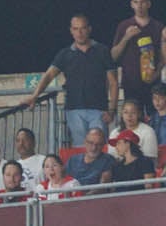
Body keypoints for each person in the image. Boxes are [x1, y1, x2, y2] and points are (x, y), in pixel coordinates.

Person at [29, 15, 120, 146]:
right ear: (71, 31)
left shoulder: (102, 51)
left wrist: (112, 110)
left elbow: (113, 82)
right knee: (80, 149)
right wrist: (34, 96)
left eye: (83, 28)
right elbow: (49, 75)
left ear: (89, 29)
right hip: (74, 109)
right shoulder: (65, 54)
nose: (79, 32)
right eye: (76, 29)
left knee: (99, 147)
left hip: (99, 109)